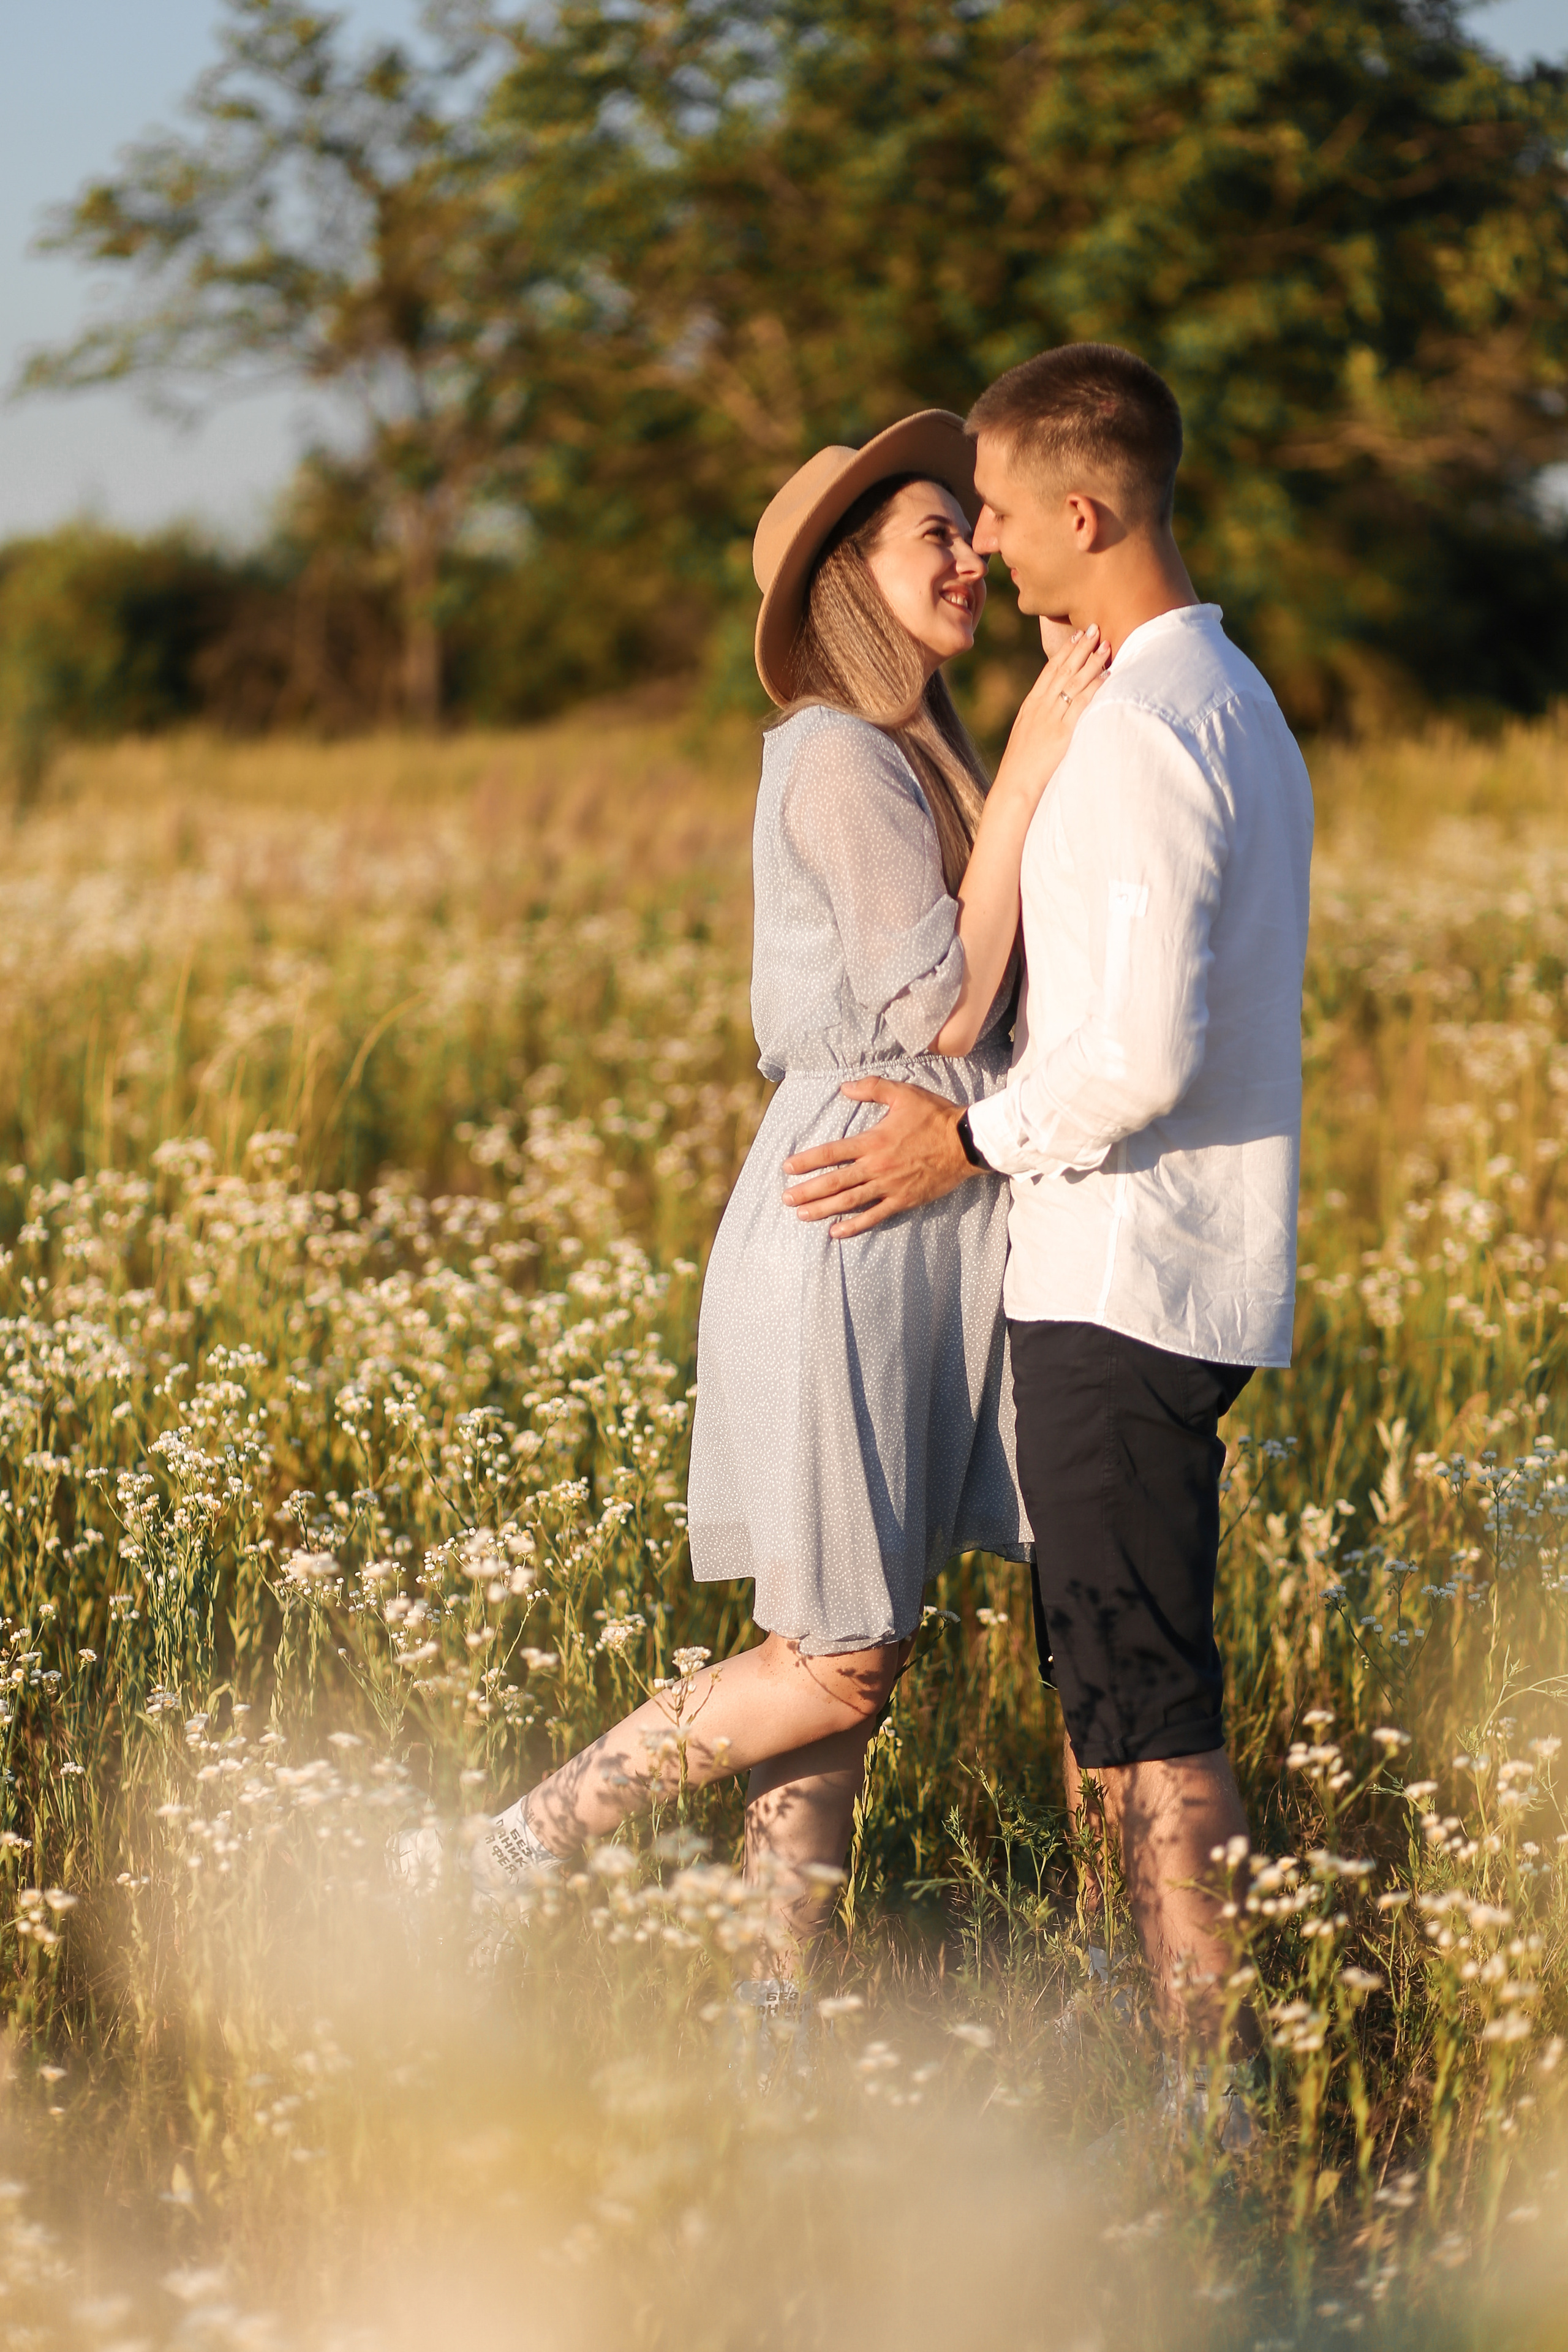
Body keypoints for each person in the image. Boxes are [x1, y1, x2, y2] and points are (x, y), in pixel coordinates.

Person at [466, 410, 1110, 1975]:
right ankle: (503, 1850)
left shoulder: (913, 747)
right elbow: (930, 1016)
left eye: (970, 529)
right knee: (838, 1659)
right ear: (844, 580)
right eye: (929, 538)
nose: (968, 557)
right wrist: (1027, 775)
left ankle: (774, 2016)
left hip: (920, 1218)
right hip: (849, 1218)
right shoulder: (834, 752)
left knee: (835, 1648)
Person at [781, 344, 1314, 2074]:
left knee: (1147, 1706)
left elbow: (1140, 1054)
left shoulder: (1153, 732)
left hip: (1127, 1275)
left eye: (999, 513)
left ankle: (1210, 2102)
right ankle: (1159, 2047)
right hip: (1149, 1270)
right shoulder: (1223, 694)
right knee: (1110, 1678)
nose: (988, 547)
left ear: (1082, 514)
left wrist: (970, 1147)